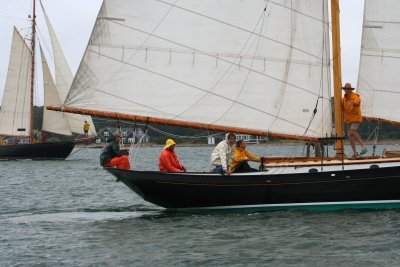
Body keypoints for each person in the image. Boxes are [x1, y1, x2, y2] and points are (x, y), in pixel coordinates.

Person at [341, 82, 367, 159]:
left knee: (352, 131)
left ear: (350, 90)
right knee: (350, 136)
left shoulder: (354, 96)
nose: (346, 90)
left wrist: (353, 102)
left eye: (347, 89)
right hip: (348, 120)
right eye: (345, 89)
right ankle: (355, 153)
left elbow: (358, 101)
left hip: (356, 118)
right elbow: (342, 108)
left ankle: (363, 146)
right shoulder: (344, 99)